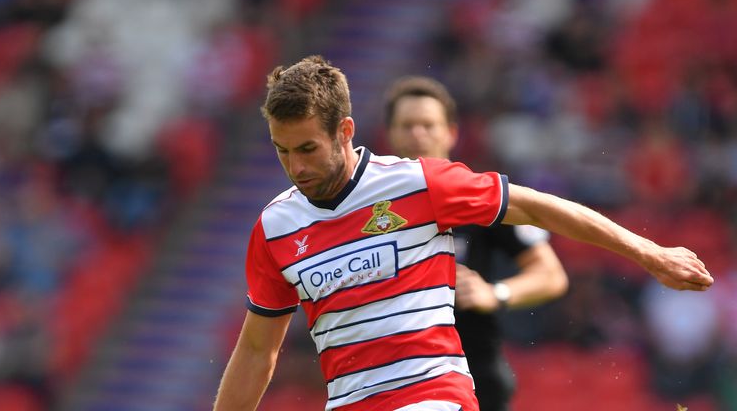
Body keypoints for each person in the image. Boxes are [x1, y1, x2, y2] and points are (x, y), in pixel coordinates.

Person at [213, 55, 713, 411]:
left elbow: (538, 208)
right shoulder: (275, 228)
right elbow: (257, 350)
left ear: (344, 131)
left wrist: (649, 252)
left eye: (307, 149)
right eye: (282, 151)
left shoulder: (420, 183)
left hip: (433, 395)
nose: (295, 166)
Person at [384, 75, 568, 411]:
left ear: (451, 133)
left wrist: (495, 293)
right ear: (390, 134)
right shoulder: (372, 210)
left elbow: (551, 275)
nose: (418, 134)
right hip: (392, 381)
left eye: (428, 125)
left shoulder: (480, 197)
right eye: (407, 125)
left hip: (475, 379)